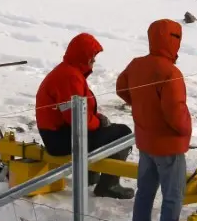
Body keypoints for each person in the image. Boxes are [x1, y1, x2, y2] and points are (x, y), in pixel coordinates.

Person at [117, 19, 192, 221]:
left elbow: (121, 88)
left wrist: (141, 105)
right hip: (169, 145)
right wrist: (186, 130)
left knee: (145, 192)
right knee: (173, 197)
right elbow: (175, 113)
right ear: (173, 41)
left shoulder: (137, 64)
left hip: (146, 142)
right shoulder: (170, 72)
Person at [35, 32, 135, 199]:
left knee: (109, 132)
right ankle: (108, 185)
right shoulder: (70, 77)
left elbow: (79, 111)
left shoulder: (69, 72)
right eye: (92, 56)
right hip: (60, 140)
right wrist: (99, 123)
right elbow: (77, 119)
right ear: (83, 56)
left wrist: (97, 119)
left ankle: (91, 176)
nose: (94, 60)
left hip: (59, 133)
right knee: (123, 133)